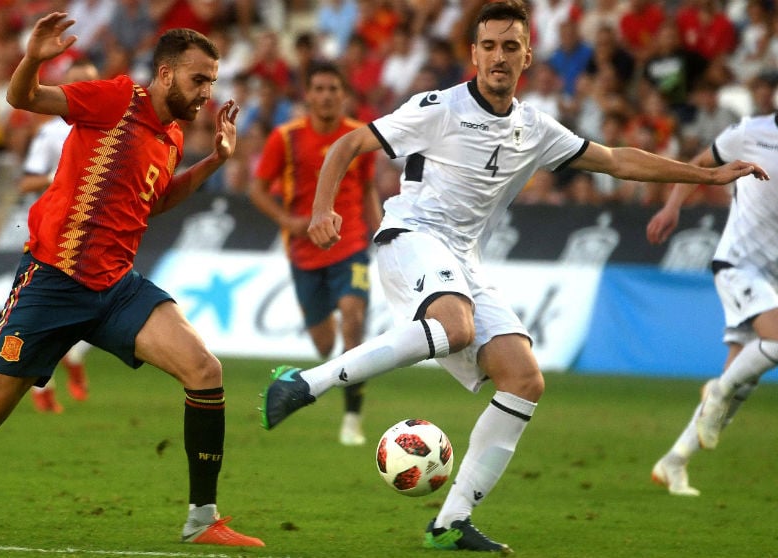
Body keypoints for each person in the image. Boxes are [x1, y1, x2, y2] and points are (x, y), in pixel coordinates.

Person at [259, 2, 768, 553]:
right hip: (411, 237)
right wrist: (321, 208)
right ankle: (304, 383)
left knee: (525, 378)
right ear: (473, 53)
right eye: (489, 46)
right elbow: (349, 144)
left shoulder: (536, 128)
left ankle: (449, 523)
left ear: (527, 56)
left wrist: (705, 174)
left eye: (510, 47)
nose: (499, 57)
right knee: (453, 326)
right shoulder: (439, 107)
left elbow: (618, 160)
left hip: (464, 259)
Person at [0, 12, 264, 548]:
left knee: (204, 369)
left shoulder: (171, 133)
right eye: (200, 79)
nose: (207, 93)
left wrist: (215, 161)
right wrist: (33, 58)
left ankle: (202, 519)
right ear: (167, 74)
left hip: (116, 286)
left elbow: (158, 200)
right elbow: (24, 99)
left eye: (213, 82)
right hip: (51, 282)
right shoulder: (114, 100)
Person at [647, 107, 778, 497]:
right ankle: (717, 390)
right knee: (774, 342)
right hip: (738, 262)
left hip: (772, 275)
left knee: (744, 377)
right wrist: (672, 207)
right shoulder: (750, 132)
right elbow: (701, 164)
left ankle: (674, 461)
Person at [249, 61, 381, 447]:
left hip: (351, 244)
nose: (325, 95)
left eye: (332, 89)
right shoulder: (285, 138)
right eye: (318, 88)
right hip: (305, 253)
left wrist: (380, 229)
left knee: (354, 322)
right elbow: (257, 189)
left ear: (344, 95)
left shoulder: (360, 136)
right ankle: (330, 379)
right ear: (308, 95)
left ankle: (353, 418)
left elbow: (368, 184)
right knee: (324, 345)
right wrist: (286, 220)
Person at [0, 57, 100, 414]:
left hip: (93, 233)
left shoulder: (112, 130)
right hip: (53, 233)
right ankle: (45, 390)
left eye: (91, 82)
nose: (85, 89)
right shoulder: (52, 132)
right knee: (39, 312)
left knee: (98, 308)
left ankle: (74, 358)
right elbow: (27, 181)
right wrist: (62, 175)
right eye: (77, 82)